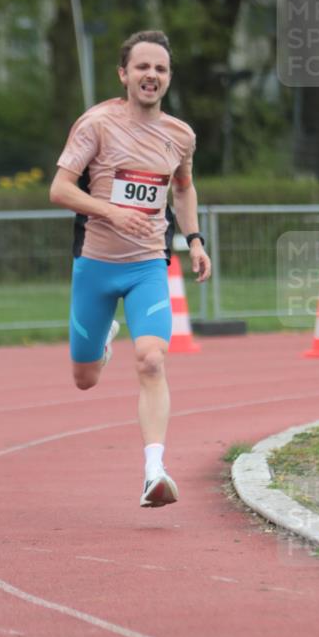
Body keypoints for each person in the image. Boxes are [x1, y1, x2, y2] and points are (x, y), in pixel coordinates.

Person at [50, 30, 212, 507]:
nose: (151, 75)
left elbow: (183, 188)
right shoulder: (96, 124)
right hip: (96, 266)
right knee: (84, 379)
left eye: (160, 69)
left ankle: (154, 471)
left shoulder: (180, 135)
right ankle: (102, 342)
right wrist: (110, 212)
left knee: (152, 360)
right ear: (124, 74)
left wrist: (195, 240)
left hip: (147, 266)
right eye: (142, 67)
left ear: (168, 78)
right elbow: (59, 189)